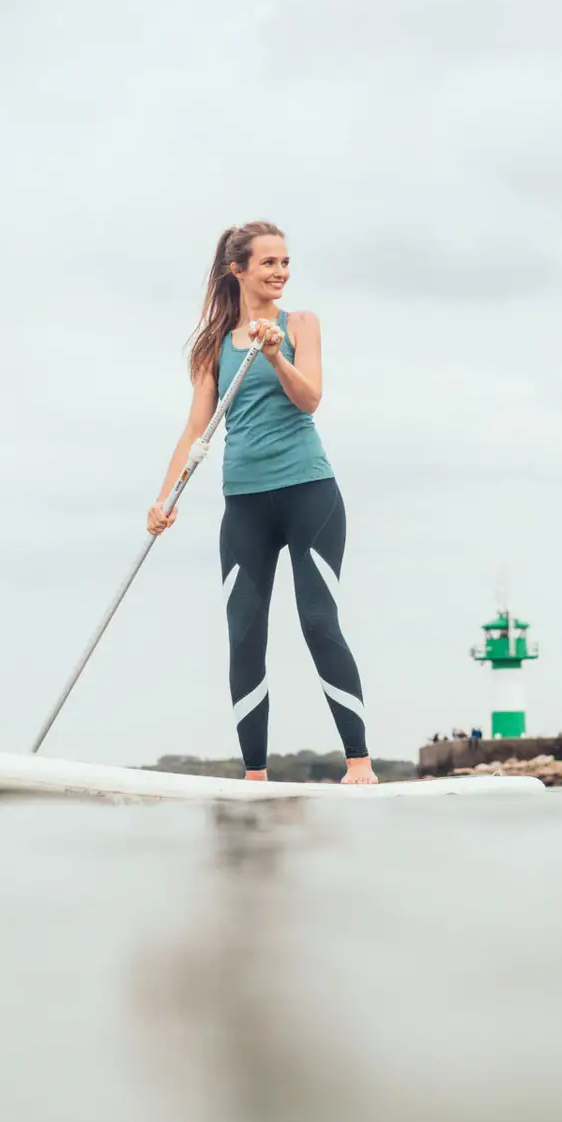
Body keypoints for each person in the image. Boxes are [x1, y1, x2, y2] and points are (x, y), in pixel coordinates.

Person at [146, 221, 376, 785]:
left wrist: (276, 355)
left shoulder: (301, 325)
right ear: (238, 269)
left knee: (319, 621)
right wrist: (163, 498)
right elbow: (195, 430)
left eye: (286, 263)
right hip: (244, 504)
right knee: (244, 632)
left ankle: (359, 763)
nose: (281, 273)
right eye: (269, 263)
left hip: (309, 494)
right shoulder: (213, 346)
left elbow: (310, 399)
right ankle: (254, 776)